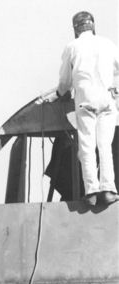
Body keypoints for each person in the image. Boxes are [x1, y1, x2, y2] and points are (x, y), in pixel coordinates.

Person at [39, 11, 119, 206]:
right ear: (93, 26)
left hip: (86, 102)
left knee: (87, 147)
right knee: (105, 146)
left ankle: (91, 192)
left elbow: (65, 82)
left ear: (75, 29)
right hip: (107, 100)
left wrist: (56, 95)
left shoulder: (72, 47)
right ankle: (108, 190)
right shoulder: (108, 44)